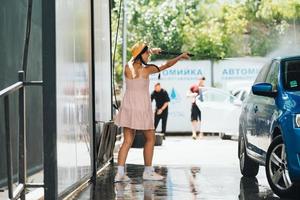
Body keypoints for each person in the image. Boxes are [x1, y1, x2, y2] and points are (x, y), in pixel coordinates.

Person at [114, 42, 189, 182]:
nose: (148, 56)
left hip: (128, 106)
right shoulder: (146, 70)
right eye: (146, 53)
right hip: (141, 107)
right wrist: (179, 57)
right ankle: (148, 172)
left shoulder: (128, 67)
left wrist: (151, 51)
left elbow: (134, 59)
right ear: (140, 55)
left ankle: (120, 173)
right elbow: (166, 65)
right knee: (150, 138)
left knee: (127, 140)